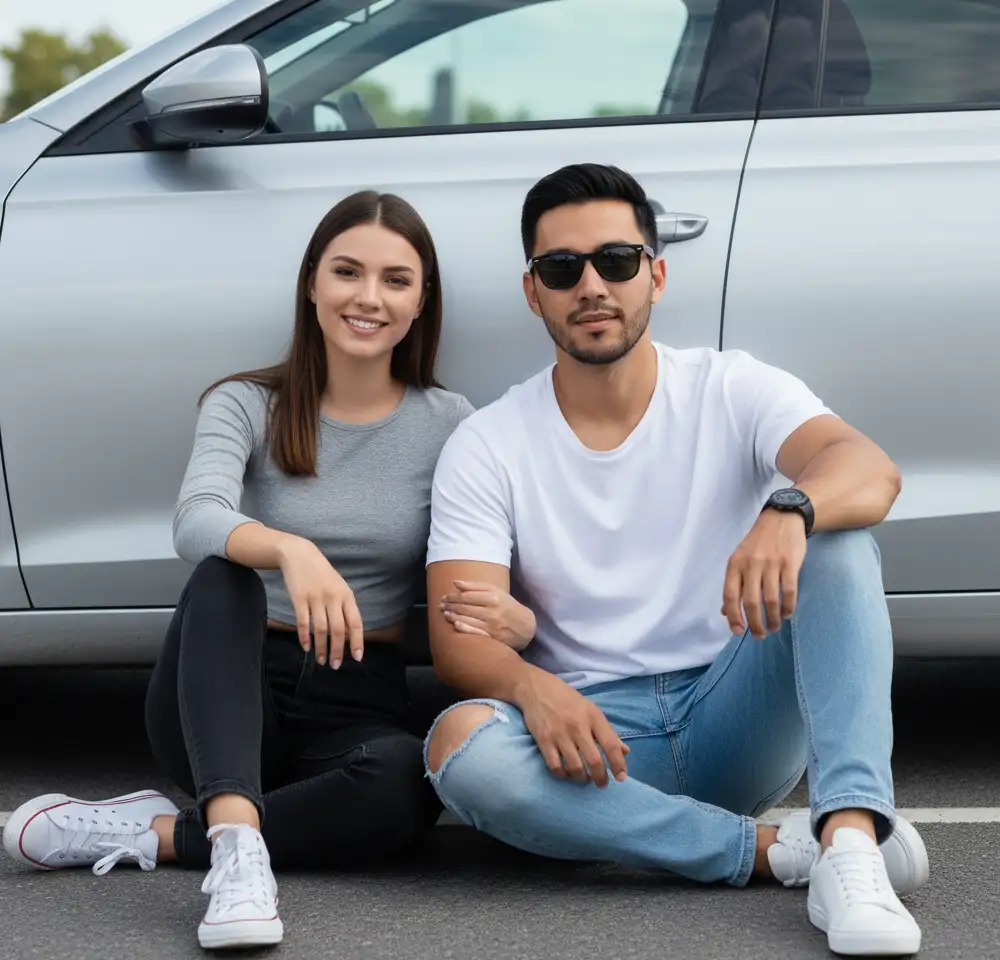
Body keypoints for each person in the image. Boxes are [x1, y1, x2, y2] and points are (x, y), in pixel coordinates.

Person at [3, 190, 536, 950]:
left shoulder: (451, 423)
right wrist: (290, 548)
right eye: (347, 272)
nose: (367, 297)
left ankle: (171, 833)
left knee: (406, 787)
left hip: (359, 696)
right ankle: (237, 859)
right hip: (226, 688)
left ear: (421, 303)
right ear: (312, 282)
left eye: (395, 280)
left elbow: (484, 562)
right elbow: (195, 520)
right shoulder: (246, 402)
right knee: (224, 576)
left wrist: (518, 619)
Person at [422, 164, 929, 957]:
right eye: (563, 269)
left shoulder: (731, 387)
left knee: (838, 537)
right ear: (534, 292)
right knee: (460, 745)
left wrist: (788, 510)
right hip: (593, 745)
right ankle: (783, 852)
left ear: (655, 274)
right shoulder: (487, 442)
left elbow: (869, 470)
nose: (592, 285)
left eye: (617, 261)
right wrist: (532, 688)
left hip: (735, 706)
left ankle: (855, 841)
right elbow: (458, 637)